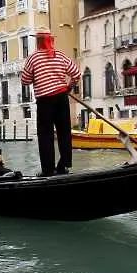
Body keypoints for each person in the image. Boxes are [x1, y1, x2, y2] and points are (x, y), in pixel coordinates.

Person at [20, 31, 81, 176]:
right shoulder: (60, 55)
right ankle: (63, 166)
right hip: (61, 98)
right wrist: (68, 87)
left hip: (45, 101)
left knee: (45, 135)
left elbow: (24, 80)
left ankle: (48, 170)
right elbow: (77, 74)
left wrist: (37, 76)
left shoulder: (33, 58)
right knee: (64, 133)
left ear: (38, 42)